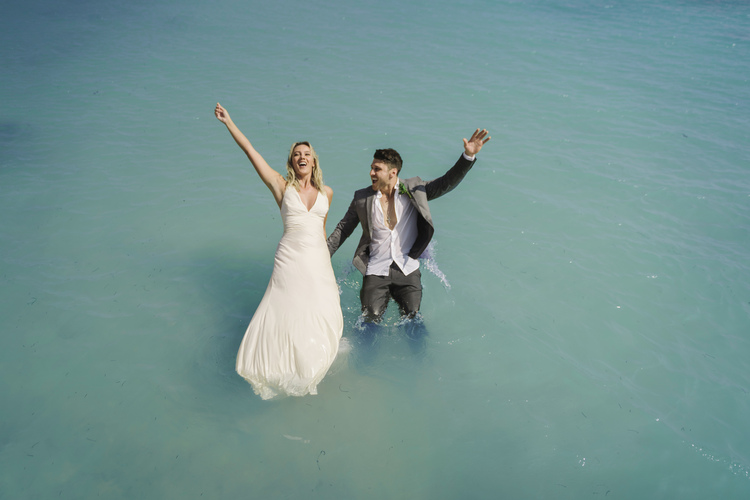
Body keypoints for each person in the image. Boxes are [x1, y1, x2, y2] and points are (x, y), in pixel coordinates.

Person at [214, 103, 343, 399]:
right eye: (297, 154)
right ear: (291, 161)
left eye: (306, 154)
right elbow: (251, 153)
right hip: (290, 256)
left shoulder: (327, 193)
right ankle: (278, 366)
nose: (302, 157)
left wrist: (327, 266)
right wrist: (229, 122)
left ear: (314, 161)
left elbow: (321, 229)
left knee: (320, 308)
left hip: (317, 260)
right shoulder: (281, 186)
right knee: (285, 308)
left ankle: (310, 363)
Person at [326, 129, 490, 342]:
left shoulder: (415, 188)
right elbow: (342, 230)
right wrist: (318, 256)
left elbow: (446, 183)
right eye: (371, 168)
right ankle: (364, 366)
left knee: (413, 320)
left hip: (408, 269)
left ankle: (422, 364)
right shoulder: (362, 198)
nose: (371, 173)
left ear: (392, 172)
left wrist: (467, 156)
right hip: (376, 270)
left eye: (377, 169)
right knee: (369, 321)